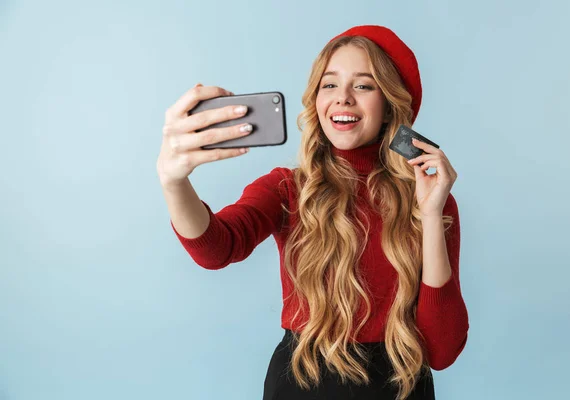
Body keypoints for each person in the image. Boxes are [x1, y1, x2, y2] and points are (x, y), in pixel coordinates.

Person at [157, 24, 469, 400]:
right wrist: (174, 182)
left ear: (389, 105)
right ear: (316, 100)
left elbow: (442, 350)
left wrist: (432, 215)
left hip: (400, 388)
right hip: (303, 384)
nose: (344, 99)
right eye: (330, 84)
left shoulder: (431, 200)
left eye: (364, 86)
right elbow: (215, 249)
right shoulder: (287, 188)